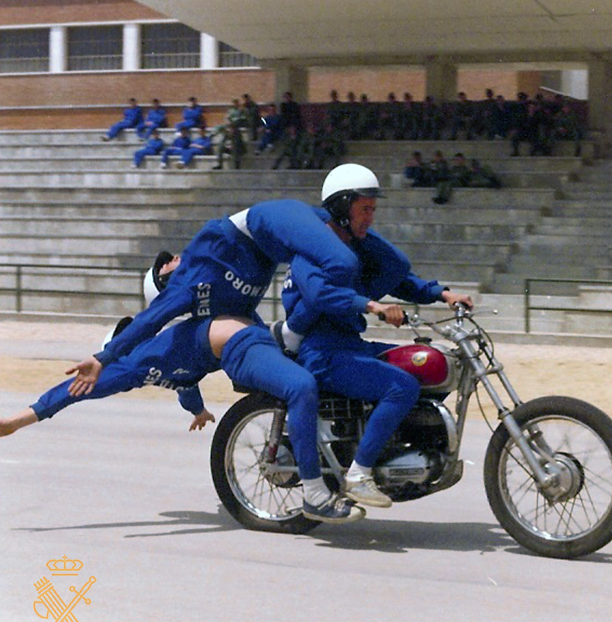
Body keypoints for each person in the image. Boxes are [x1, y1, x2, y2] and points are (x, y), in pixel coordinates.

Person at [66, 180, 422, 521]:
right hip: (296, 339)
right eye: (165, 271)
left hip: (276, 329)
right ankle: (343, 478)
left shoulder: (226, 292)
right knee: (323, 374)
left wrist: (199, 410)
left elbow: (189, 380)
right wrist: (106, 358)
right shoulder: (189, 314)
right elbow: (176, 367)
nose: (171, 261)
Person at [0, 252, 365, 524]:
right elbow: (77, 390)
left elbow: (184, 386)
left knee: (308, 364)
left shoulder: (175, 352)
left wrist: (198, 411)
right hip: (242, 341)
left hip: (242, 340)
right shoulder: (135, 362)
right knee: (300, 357)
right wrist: (21, 419)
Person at [272, 163, 473, 508]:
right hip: (321, 352)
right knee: (401, 387)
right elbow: (322, 296)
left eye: (374, 209)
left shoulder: (357, 251)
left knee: (421, 364)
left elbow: (401, 281)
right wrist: (372, 306)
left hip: (350, 345)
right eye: (365, 208)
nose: (371, 217)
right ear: (341, 207)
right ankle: (359, 474)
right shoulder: (309, 251)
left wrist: (443, 294)